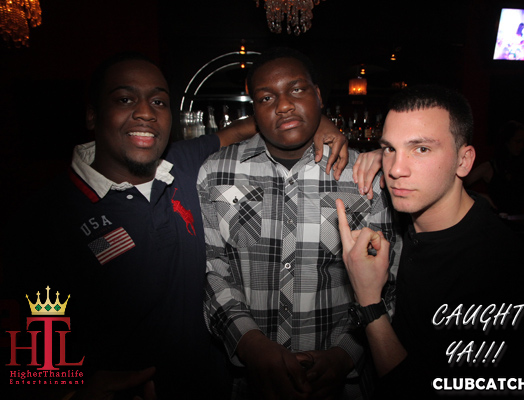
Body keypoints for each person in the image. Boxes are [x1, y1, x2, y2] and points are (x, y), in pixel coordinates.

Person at [1, 52, 349, 400]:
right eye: (124, 99)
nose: (145, 112)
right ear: (93, 114)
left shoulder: (183, 162)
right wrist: (70, 394)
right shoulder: (45, 216)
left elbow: (246, 127)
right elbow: (29, 331)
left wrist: (316, 121)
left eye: (158, 101)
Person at [197, 47, 399, 400]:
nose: (284, 105)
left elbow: (389, 278)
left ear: (318, 95)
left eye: (297, 89)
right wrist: (249, 343)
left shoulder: (364, 176)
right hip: (250, 385)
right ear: (254, 108)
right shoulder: (216, 172)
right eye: (266, 97)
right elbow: (212, 270)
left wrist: (345, 353)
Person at [337, 85, 524, 397]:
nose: (396, 170)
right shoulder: (419, 214)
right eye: (390, 148)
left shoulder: (498, 269)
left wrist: (369, 302)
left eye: (421, 149)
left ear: (464, 161)